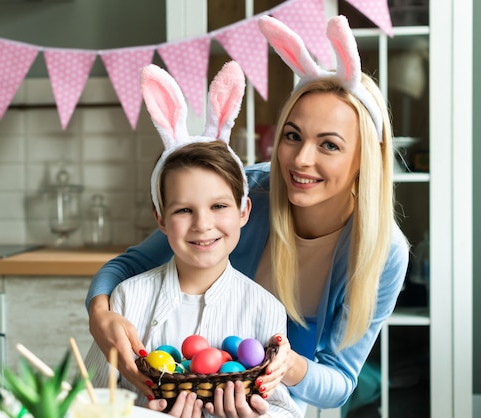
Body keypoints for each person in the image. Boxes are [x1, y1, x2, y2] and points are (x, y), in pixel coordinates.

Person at [85, 15, 409, 416]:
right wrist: (101, 315)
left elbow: (339, 380)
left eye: (329, 145)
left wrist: (285, 367)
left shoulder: (382, 250)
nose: (301, 160)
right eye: (293, 136)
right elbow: (130, 265)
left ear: (365, 158)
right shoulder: (246, 190)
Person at [85, 60, 303, 418]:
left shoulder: (265, 310)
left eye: (218, 206)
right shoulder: (128, 300)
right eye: (184, 210)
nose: (203, 224)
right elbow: (88, 403)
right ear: (161, 219)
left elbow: (286, 411)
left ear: (243, 211)